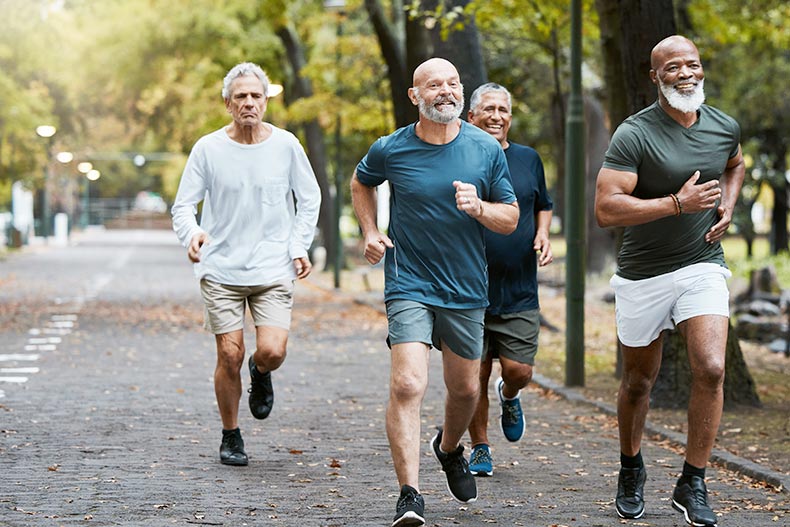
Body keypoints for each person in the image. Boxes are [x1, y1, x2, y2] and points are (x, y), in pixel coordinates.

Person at [351, 58, 519, 527]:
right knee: (408, 383)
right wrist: (369, 231)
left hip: (466, 287)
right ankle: (410, 495)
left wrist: (480, 207)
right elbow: (362, 182)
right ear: (415, 96)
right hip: (409, 282)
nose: (445, 91)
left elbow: (510, 218)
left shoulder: (485, 149)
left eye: (452, 84)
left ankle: (448, 448)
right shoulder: (392, 148)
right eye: (434, 85)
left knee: (465, 389)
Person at [594, 36, 744, 527]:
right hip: (643, 273)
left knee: (712, 368)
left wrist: (728, 204)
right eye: (673, 67)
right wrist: (676, 204)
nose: (686, 73)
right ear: (655, 77)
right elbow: (606, 208)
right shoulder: (634, 134)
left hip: (702, 262)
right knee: (639, 381)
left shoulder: (723, 126)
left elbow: (735, 164)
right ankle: (631, 466)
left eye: (693, 64)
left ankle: (692, 481)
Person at [171, 62, 321, 467]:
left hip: (273, 266)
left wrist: (299, 245)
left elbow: (309, 199)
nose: (249, 103)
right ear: (228, 103)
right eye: (241, 96)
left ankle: (261, 372)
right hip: (220, 268)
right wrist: (192, 234)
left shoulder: (287, 145)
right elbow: (183, 206)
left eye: (257, 96)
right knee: (229, 356)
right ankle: (231, 435)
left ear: (266, 101)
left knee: (271, 350)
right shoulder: (208, 148)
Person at [465, 83, 553, 477]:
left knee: (518, 370)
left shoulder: (528, 159)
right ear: (472, 117)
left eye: (503, 109)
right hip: (468, 289)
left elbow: (543, 205)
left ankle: (510, 393)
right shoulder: (460, 158)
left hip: (519, 287)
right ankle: (480, 447)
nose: (496, 116)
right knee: (473, 376)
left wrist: (543, 233)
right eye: (488, 109)